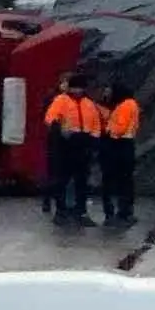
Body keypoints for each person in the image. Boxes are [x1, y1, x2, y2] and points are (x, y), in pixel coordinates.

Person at [44, 74, 102, 225]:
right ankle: (62, 211)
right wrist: (59, 130)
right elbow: (50, 118)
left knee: (81, 180)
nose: (78, 90)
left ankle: (79, 211)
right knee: (63, 179)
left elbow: (96, 124)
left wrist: (94, 140)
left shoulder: (88, 104)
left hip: (83, 143)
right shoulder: (61, 100)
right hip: (65, 144)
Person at [102, 81, 140, 225]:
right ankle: (127, 211)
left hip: (119, 144)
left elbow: (119, 128)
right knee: (127, 180)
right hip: (127, 144)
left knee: (118, 180)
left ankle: (121, 213)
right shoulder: (131, 104)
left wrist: (108, 129)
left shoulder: (124, 106)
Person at [41, 73, 71, 215]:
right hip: (56, 139)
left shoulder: (56, 98)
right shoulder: (55, 99)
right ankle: (49, 200)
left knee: (58, 172)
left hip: (61, 139)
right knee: (54, 172)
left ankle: (55, 201)